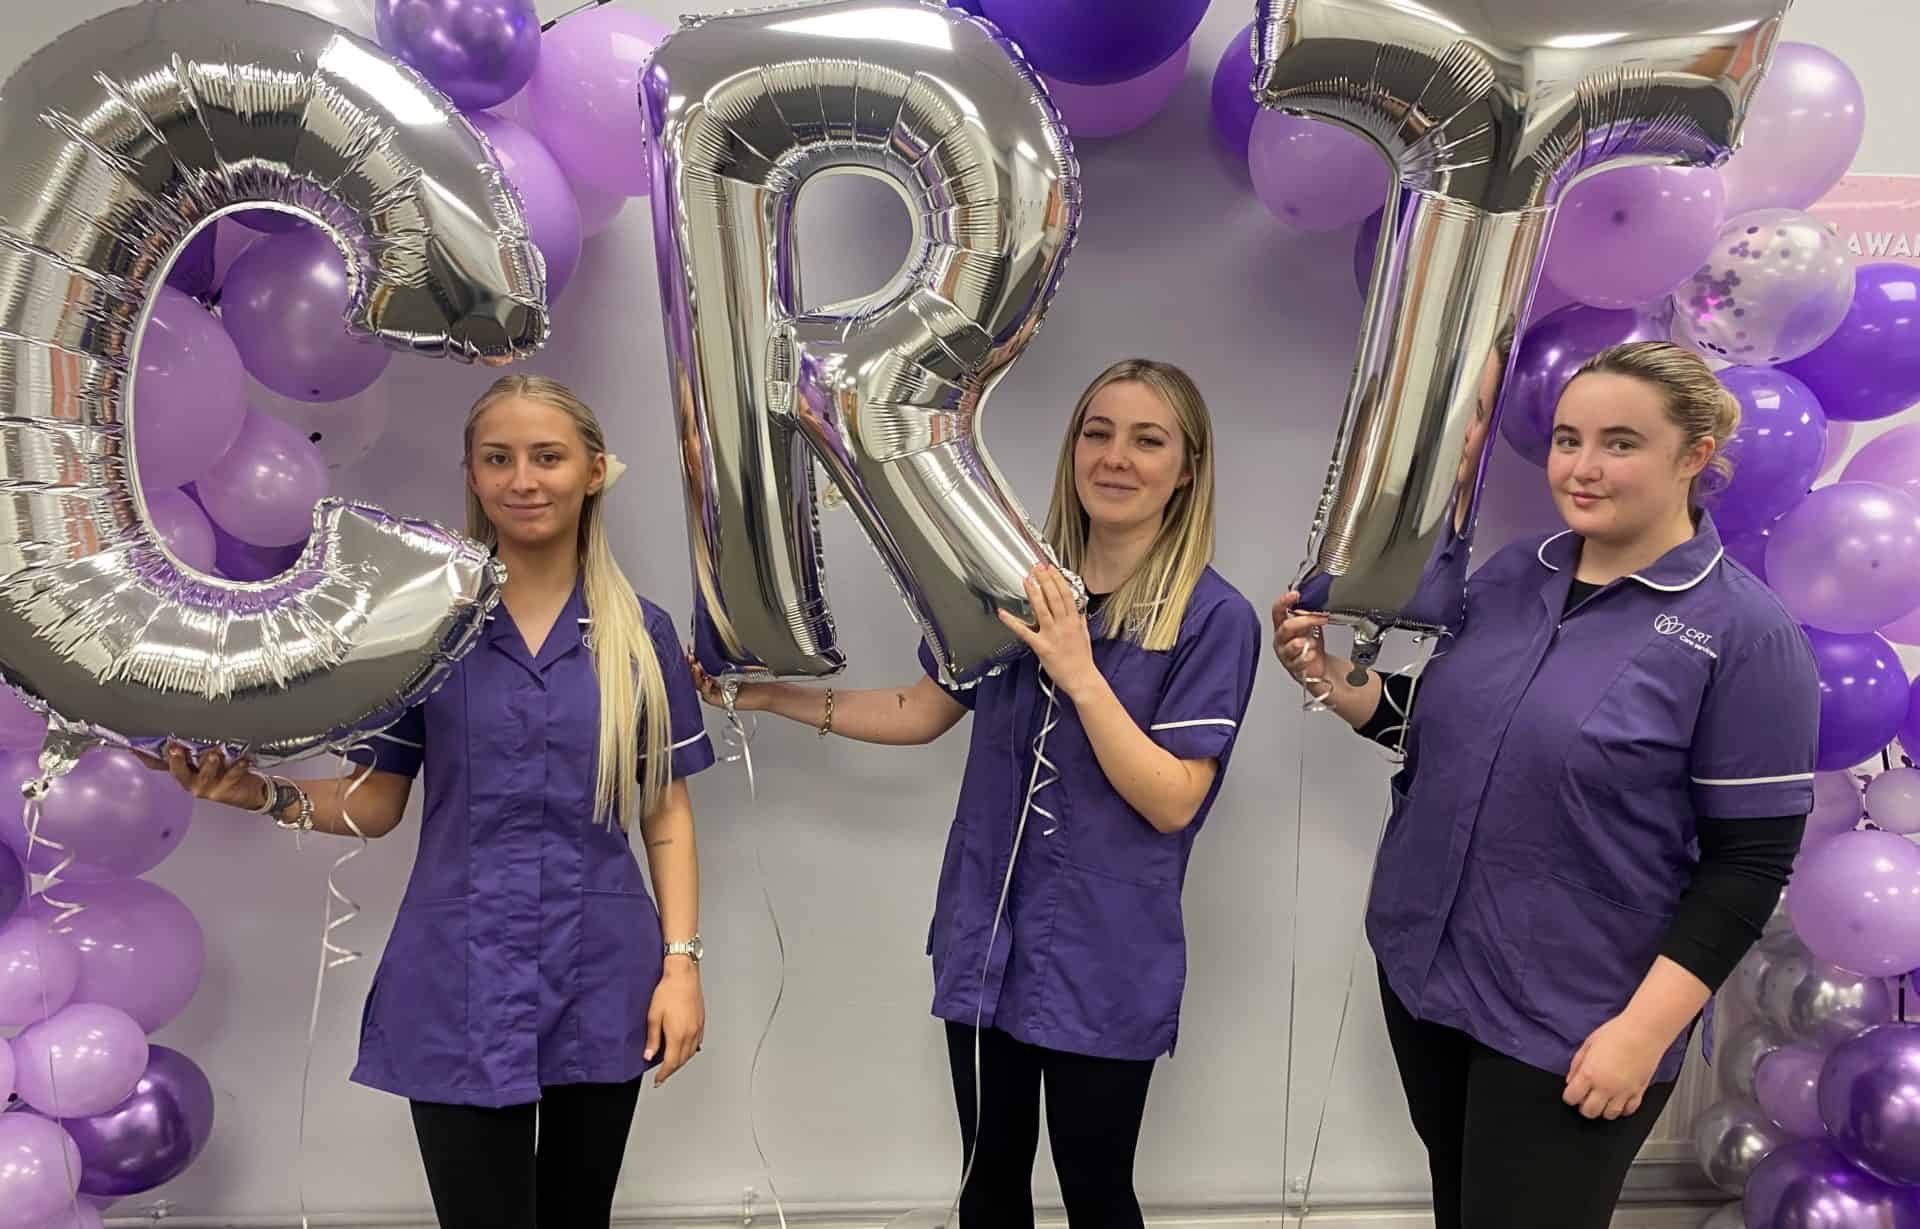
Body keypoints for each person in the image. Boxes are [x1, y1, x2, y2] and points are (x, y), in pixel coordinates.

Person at [696, 359, 1259, 1227]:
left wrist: (1079, 672)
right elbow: (920, 711)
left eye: (1149, 440)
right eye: (1097, 432)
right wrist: (773, 695)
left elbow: (1174, 798)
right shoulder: (1013, 586)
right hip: (990, 939)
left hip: (1105, 960)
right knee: (987, 1183)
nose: (1116, 457)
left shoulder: (1213, 619)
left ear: (1187, 469)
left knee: (1096, 1190)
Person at [1273, 341, 1818, 1228]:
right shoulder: (1513, 574)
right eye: (1568, 439)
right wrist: (1335, 681)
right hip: (1427, 971)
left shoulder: (1746, 635)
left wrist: (1641, 1034)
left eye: (1620, 442)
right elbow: (1450, 733)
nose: (1583, 466)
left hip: (1578, 1018)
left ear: (1694, 455)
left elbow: (1748, 866)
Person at [158, 375, 715, 1229]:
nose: (523, 479)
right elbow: (377, 802)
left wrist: (681, 966)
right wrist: (260, 793)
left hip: (602, 966)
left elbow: (665, 816)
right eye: (499, 459)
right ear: (473, 474)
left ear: (595, 471)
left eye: (548, 457)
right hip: (458, 967)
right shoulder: (424, 632)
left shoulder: (642, 636)